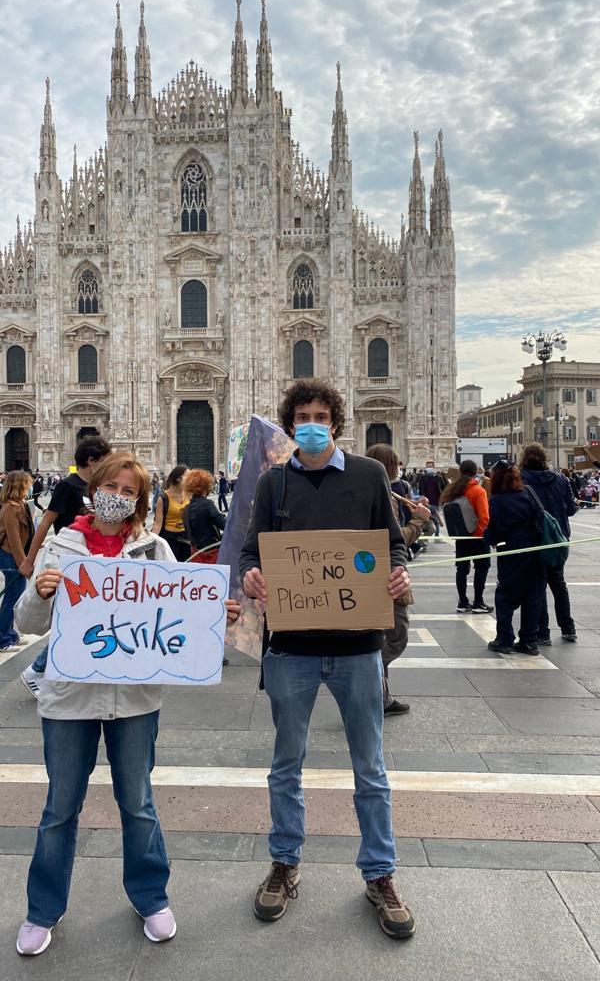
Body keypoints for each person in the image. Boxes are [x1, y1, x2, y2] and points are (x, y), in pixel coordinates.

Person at [12, 451, 240, 956]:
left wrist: (213, 611)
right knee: (59, 808)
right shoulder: (61, 545)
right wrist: (42, 593)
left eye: (130, 490)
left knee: (137, 803)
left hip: (135, 700)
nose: (119, 496)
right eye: (111, 485)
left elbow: (183, 610)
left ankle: (151, 897)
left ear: (140, 500)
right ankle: (42, 909)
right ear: (94, 487)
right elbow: (26, 623)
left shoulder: (154, 549)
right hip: (68, 699)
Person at [239, 379, 415, 939]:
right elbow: (250, 548)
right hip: (291, 648)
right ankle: (285, 863)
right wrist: (250, 571)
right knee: (286, 764)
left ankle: (379, 873)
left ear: (335, 422)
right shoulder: (274, 481)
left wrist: (399, 571)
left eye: (321, 415)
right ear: (290, 425)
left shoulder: (368, 475)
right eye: (302, 416)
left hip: (358, 647)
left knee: (371, 768)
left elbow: (395, 543)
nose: (312, 423)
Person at [18, 437, 112, 695]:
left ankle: (68, 667)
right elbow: (47, 522)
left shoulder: (94, 487)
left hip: (92, 565)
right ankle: (36, 669)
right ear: (91, 461)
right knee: (74, 623)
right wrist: (29, 559)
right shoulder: (69, 486)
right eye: (104, 461)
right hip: (68, 564)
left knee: (87, 621)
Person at [366, 442, 430, 716]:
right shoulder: (383, 497)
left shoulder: (371, 492)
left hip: (373, 576)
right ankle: (366, 681)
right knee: (396, 638)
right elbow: (393, 541)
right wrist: (418, 521)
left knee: (381, 638)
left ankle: (381, 696)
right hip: (388, 577)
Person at [483, 460, 545, 656]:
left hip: (512, 552)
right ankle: (529, 640)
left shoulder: (497, 500)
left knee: (506, 595)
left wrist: (490, 538)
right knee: (532, 595)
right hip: (535, 550)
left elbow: (495, 531)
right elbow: (540, 517)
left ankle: (505, 638)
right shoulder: (528, 493)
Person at [519, 443, 577, 644]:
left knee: (538, 585)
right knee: (559, 583)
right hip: (558, 538)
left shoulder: (521, 480)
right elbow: (571, 509)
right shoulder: (561, 479)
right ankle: (568, 628)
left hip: (534, 540)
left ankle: (543, 632)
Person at [440, 460, 492, 614]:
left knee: (462, 569)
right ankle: (478, 602)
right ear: (475, 472)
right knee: (482, 568)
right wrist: (482, 533)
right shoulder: (478, 490)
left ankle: (462, 602)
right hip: (477, 537)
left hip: (461, 537)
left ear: (461, 472)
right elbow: (484, 517)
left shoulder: (453, 490)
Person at [0, 471, 34, 652]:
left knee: (14, 599)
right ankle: (0, 641)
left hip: (15, 556)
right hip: (11, 557)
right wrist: (24, 563)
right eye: (27, 484)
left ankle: (10, 635)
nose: (29, 488)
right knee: (11, 600)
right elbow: (14, 538)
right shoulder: (10, 508)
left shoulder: (19, 505)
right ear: (19, 486)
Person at [183, 469, 226, 563]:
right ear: (206, 487)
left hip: (196, 554)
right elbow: (224, 525)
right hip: (212, 553)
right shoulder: (207, 504)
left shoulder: (186, 509)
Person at [152, 465, 191, 562]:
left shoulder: (189, 494)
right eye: (188, 476)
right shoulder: (163, 498)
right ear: (179, 479)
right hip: (169, 539)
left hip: (186, 537)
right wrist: (151, 541)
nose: (191, 479)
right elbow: (157, 524)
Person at [417, 460, 447, 538]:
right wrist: (421, 497)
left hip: (436, 499)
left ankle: (437, 534)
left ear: (433, 467)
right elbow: (421, 488)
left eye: (430, 466)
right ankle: (429, 532)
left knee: (435, 516)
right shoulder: (423, 477)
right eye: (428, 466)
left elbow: (443, 487)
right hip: (426, 500)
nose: (429, 468)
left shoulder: (438, 477)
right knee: (429, 517)